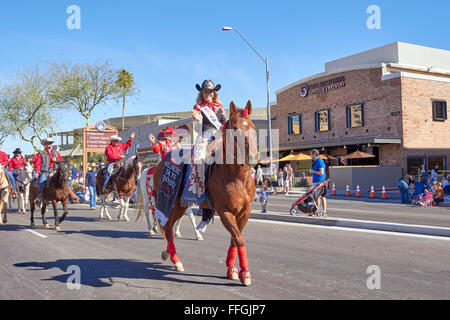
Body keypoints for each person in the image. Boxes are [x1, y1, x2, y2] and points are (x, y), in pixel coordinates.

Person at [190, 80, 227, 233]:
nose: (208, 94)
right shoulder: (198, 108)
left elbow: (224, 122)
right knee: (198, 159)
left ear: (214, 93)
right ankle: (200, 190)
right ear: (202, 93)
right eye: (206, 91)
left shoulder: (220, 107)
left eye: (210, 91)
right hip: (205, 135)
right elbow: (198, 127)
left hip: (219, 135)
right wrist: (197, 120)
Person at [34, 138, 63, 205]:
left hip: (55, 170)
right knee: (42, 181)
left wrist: (56, 161)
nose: (49, 144)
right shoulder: (41, 153)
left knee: (64, 180)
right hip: (45, 171)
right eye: (48, 143)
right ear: (45, 144)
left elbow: (61, 161)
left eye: (50, 143)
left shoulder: (56, 152)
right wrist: (37, 172)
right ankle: (39, 197)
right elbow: (38, 163)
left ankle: (71, 195)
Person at [309, 149, 327, 217]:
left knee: (321, 196)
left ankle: (324, 212)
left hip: (320, 181)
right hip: (315, 181)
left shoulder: (320, 161)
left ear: (314, 154)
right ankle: (316, 210)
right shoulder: (315, 161)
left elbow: (321, 172)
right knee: (316, 197)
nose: (310, 155)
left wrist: (313, 171)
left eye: (311, 154)